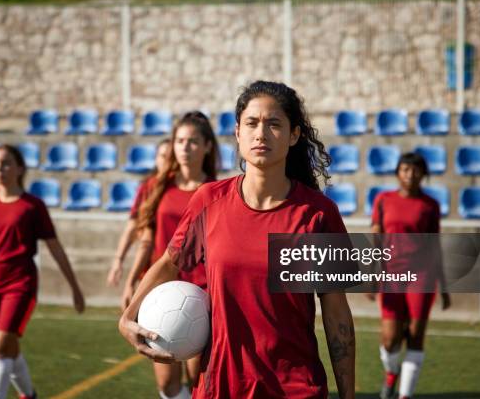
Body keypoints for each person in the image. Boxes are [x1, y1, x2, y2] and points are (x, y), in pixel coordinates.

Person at [119, 81, 355, 398]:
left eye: (274, 124)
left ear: (294, 135)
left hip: (294, 387)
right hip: (220, 386)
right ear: (237, 132)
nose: (261, 133)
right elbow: (169, 263)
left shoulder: (319, 214)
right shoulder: (208, 201)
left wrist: (348, 394)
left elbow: (337, 312)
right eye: (252, 123)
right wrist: (127, 316)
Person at [0, 144, 85, 399]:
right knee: (9, 348)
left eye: (5, 163)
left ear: (20, 168)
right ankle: (29, 395)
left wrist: (75, 287)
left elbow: (55, 248)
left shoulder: (32, 206)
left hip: (20, 286)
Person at [122, 111, 218, 399]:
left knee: (200, 383)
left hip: (201, 295)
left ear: (207, 146)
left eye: (192, 141)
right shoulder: (157, 187)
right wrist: (130, 282)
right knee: (167, 383)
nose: (185, 148)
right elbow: (147, 239)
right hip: (162, 295)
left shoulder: (217, 191)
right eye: (179, 141)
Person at [369, 152, 451, 399]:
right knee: (390, 339)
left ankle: (405, 395)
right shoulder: (383, 200)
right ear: (397, 173)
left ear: (423, 174)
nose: (410, 174)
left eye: (415, 170)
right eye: (405, 169)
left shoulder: (430, 205)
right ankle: (391, 374)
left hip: (422, 277)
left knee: (415, 336)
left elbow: (435, 245)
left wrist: (444, 287)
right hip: (391, 277)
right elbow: (376, 240)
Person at [107, 139, 171, 286]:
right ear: (155, 159)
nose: (166, 161)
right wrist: (118, 260)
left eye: (170, 157)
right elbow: (135, 228)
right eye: (162, 156)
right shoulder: (149, 186)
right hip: (153, 269)